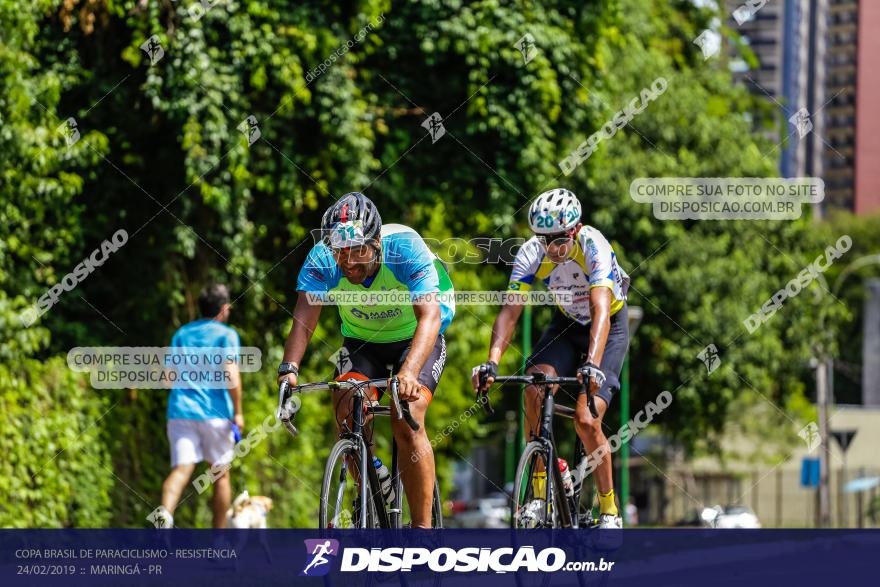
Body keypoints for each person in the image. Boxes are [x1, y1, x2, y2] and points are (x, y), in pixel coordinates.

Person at [278, 192, 454, 528]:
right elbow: (303, 321)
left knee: (409, 413)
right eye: (340, 253)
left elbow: (429, 317)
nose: (349, 262)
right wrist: (289, 372)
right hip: (363, 341)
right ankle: (372, 475)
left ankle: (422, 533)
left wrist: (410, 371)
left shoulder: (404, 248)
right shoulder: (322, 258)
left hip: (417, 334)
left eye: (359, 251)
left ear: (376, 242)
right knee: (346, 402)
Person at [472, 188, 630, 528]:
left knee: (586, 420)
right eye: (545, 240)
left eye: (559, 240)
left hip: (608, 326)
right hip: (566, 323)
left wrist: (591, 363)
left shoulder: (593, 245)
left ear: (575, 230)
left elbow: (600, 308)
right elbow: (510, 312)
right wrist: (493, 361)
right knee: (533, 389)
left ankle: (609, 509)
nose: (553, 249)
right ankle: (541, 493)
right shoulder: (533, 252)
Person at [155, 283, 244, 528]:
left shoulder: (182, 334)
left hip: (181, 412)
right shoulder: (227, 335)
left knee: (181, 470)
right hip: (216, 415)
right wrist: (238, 412)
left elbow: (167, 378)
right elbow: (231, 375)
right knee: (220, 475)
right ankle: (218, 542)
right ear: (224, 309)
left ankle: (164, 519)